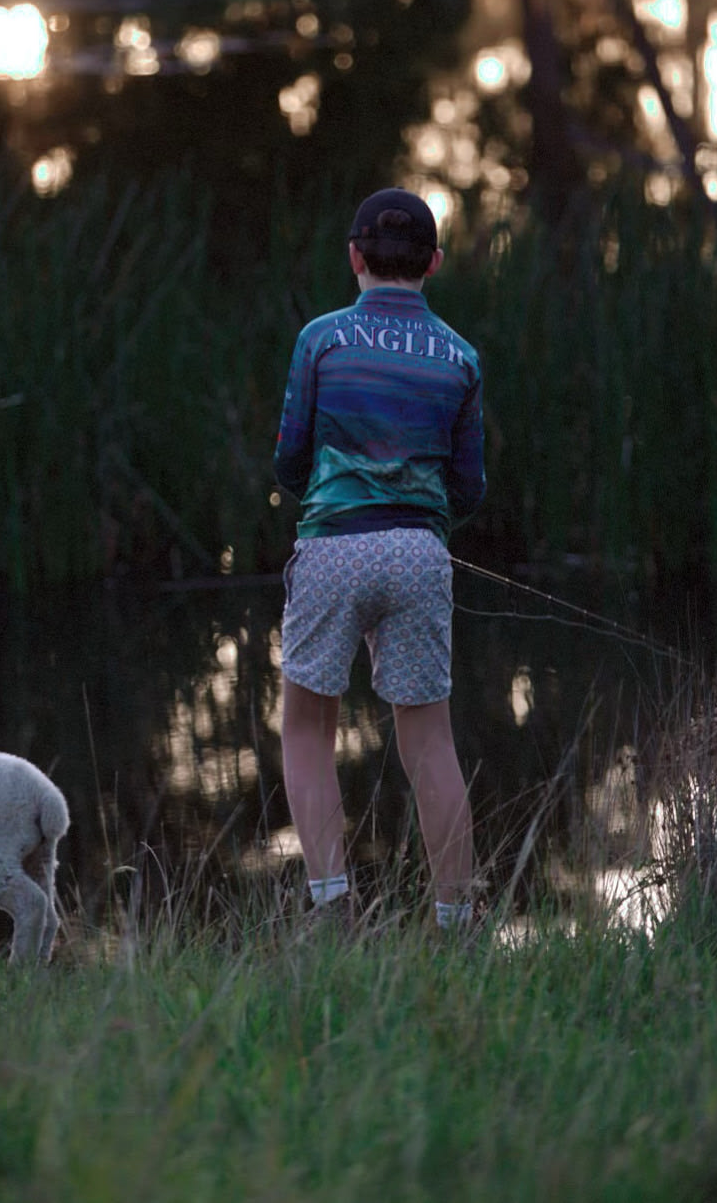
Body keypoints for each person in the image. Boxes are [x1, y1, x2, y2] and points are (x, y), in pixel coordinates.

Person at [273, 188, 484, 934]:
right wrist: (417, 521)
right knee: (428, 739)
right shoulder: (460, 355)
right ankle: (456, 918)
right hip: (420, 554)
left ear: (354, 257)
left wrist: (330, 504)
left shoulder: (321, 340)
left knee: (305, 730)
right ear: (431, 262)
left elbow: (289, 460)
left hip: (332, 547)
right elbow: (468, 486)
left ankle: (332, 905)